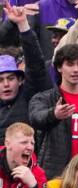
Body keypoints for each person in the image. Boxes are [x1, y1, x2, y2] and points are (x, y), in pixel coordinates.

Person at [28, 43, 78, 181]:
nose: (76, 69)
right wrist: (53, 115)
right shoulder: (44, 98)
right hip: (53, 175)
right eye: (70, 64)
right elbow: (36, 118)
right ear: (59, 67)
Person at [0, 5, 53, 133]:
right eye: (0, 80)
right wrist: (9, 24)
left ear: (20, 80)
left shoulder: (29, 96)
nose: (6, 84)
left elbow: (36, 65)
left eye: (11, 78)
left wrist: (23, 25)